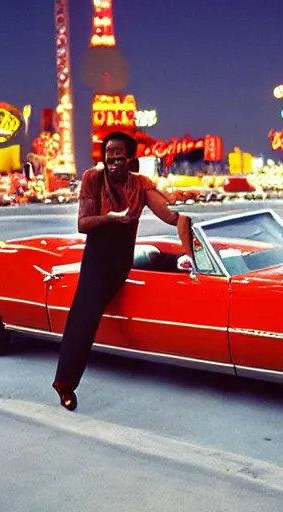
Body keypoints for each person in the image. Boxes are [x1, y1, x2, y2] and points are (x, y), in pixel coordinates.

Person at [52, 131, 193, 411]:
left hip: (121, 261)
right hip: (97, 257)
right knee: (84, 317)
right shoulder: (93, 178)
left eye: (119, 156)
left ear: (130, 158)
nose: (114, 161)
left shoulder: (140, 184)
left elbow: (167, 213)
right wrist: (110, 219)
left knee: (160, 270)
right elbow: (83, 224)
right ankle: (64, 384)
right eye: (109, 155)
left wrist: (182, 219)